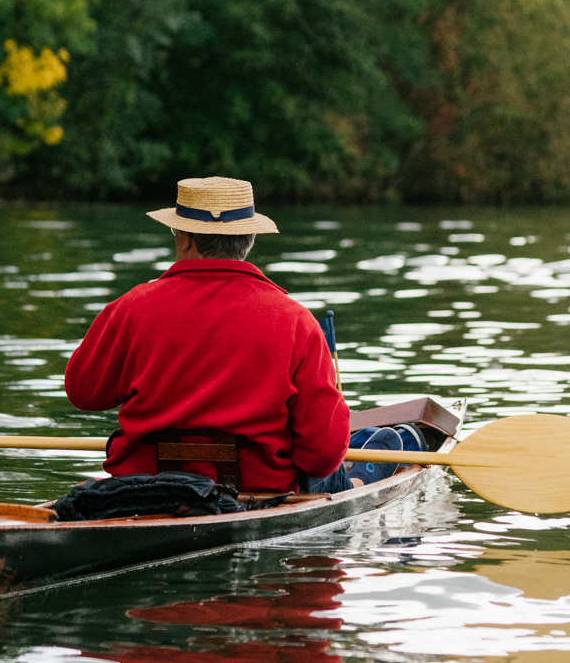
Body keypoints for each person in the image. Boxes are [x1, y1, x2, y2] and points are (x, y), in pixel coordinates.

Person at [64, 175, 361, 494]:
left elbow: (84, 392)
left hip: (143, 493)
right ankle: (366, 477)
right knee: (344, 477)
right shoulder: (297, 322)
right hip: (260, 493)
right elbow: (323, 455)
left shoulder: (130, 308)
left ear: (186, 238)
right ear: (249, 238)